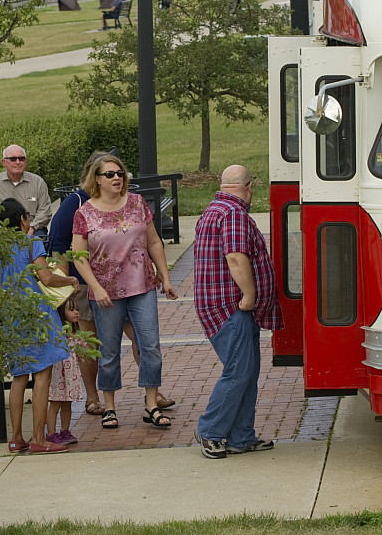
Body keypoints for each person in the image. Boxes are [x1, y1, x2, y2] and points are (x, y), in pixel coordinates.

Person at [48, 156, 175, 418]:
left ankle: (151, 402)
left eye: (120, 173)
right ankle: (109, 407)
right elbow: (78, 256)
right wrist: (95, 287)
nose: (117, 178)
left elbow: (153, 242)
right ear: (96, 179)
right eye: (109, 174)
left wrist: (165, 276)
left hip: (142, 287)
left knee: (150, 345)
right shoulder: (83, 212)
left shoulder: (137, 204)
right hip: (105, 292)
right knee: (108, 350)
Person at [192, 165, 282, 459]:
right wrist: (250, 294)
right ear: (249, 187)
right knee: (239, 371)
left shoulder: (214, 210)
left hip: (219, 306)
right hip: (230, 308)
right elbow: (234, 256)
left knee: (246, 371)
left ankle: (241, 437)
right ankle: (210, 432)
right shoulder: (233, 214)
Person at [0, 199, 74, 454]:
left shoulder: (2, 248)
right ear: (22, 219)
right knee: (42, 374)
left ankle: (16, 437)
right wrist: (70, 278)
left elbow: (0, 286)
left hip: (12, 315)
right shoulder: (33, 243)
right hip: (37, 314)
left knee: (19, 377)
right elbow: (46, 277)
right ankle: (39, 438)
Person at [45, 293, 86, 446]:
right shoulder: (57, 334)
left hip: (71, 376)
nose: (76, 312)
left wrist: (83, 354)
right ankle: (51, 433)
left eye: (77, 309)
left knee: (68, 404)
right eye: (71, 309)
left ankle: (65, 430)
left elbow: (82, 354)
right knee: (55, 404)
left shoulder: (77, 334)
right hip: (58, 375)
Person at [0, 144, 52, 235]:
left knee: (40, 239)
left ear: (26, 161)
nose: (18, 162)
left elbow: (45, 211)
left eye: (21, 158)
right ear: (4, 162)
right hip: (2, 232)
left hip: (33, 229)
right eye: (13, 159)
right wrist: (3, 232)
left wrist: (30, 228)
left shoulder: (38, 182)